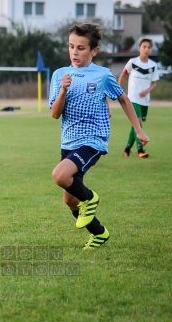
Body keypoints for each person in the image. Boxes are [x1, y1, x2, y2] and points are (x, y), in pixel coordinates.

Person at [49, 23, 149, 250]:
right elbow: (55, 114)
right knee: (69, 199)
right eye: (71, 46)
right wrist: (63, 90)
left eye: (81, 48)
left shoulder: (103, 75)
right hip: (69, 141)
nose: (75, 52)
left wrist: (139, 130)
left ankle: (90, 198)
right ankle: (99, 233)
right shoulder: (59, 75)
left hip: (93, 140)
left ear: (93, 51)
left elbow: (123, 99)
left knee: (59, 175)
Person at [118, 38, 159, 158]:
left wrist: (146, 91)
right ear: (139, 48)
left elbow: (154, 83)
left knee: (135, 124)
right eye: (144, 46)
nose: (146, 49)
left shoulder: (153, 65)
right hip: (133, 98)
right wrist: (120, 92)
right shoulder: (132, 62)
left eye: (149, 47)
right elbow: (123, 75)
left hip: (145, 100)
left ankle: (127, 150)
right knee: (139, 123)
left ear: (151, 50)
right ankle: (140, 150)